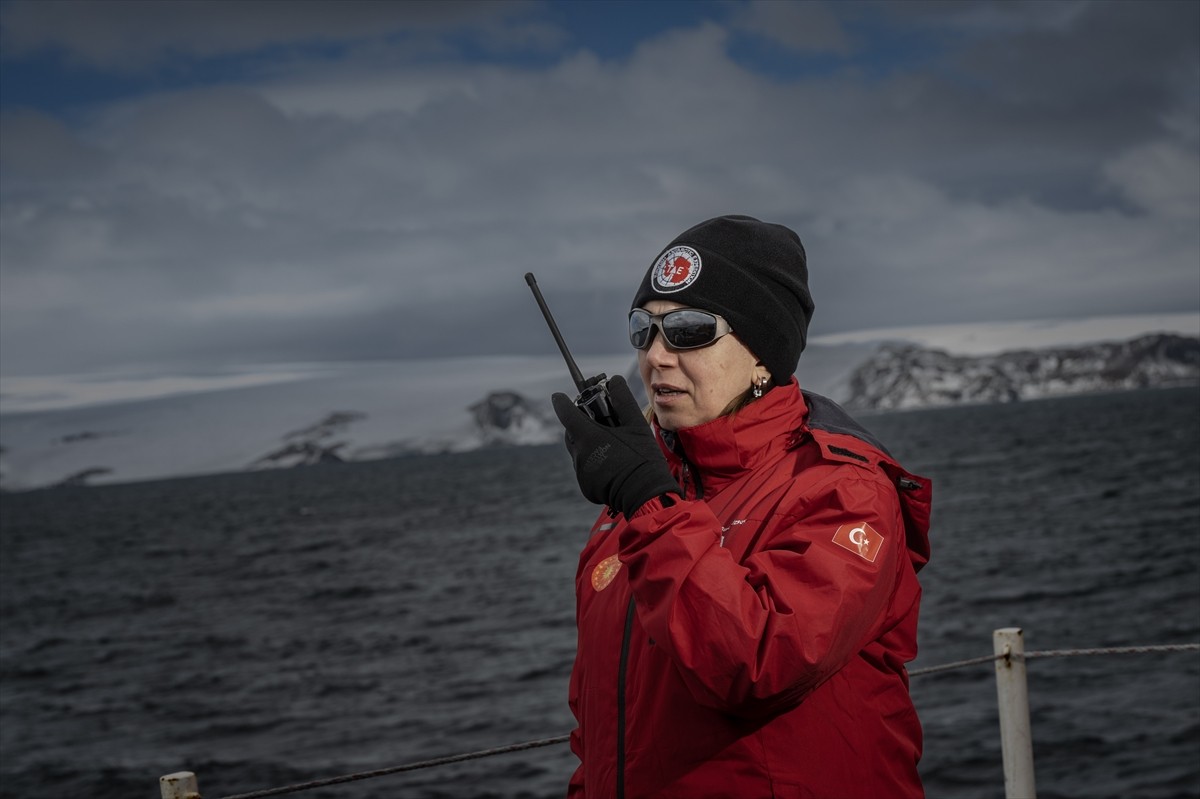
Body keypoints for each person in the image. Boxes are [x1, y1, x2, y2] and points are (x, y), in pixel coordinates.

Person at [550, 215, 933, 798]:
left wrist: (649, 502)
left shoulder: (843, 491)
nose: (655, 356)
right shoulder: (630, 509)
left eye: (688, 330)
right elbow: (599, 733)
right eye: (643, 330)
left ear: (763, 355)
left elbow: (760, 663)